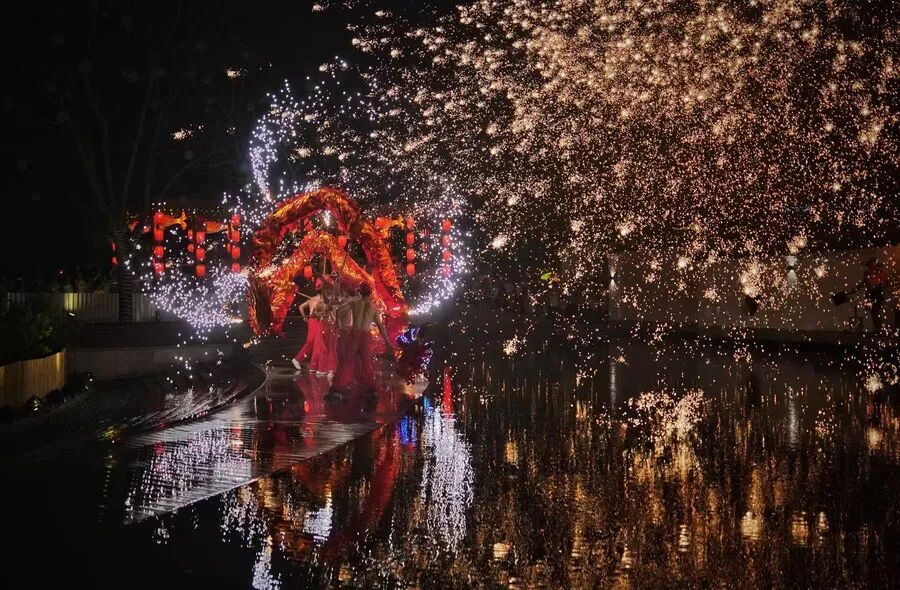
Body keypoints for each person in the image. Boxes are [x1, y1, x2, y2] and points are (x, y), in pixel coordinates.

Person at [330, 283, 395, 395]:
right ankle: (371, 388)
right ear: (370, 293)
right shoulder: (374, 308)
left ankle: (338, 386)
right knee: (367, 362)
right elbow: (380, 327)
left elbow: (339, 310)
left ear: (360, 292)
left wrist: (339, 324)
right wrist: (387, 342)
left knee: (347, 361)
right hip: (365, 336)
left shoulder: (355, 303)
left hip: (353, 334)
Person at [292, 281, 326, 371]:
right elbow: (301, 307)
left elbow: (301, 307)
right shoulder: (318, 300)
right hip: (314, 320)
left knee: (315, 342)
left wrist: (305, 317)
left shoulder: (314, 299)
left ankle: (311, 363)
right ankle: (297, 359)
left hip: (315, 320)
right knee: (312, 341)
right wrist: (304, 317)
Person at [852, 257, 888, 332]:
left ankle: (880, 330)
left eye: (873, 263)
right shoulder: (867, 273)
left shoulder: (880, 273)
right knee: (873, 313)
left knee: (876, 312)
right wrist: (856, 288)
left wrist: (878, 286)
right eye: (871, 263)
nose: (872, 265)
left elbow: (884, 283)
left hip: (877, 294)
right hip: (869, 294)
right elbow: (864, 282)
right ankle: (878, 329)